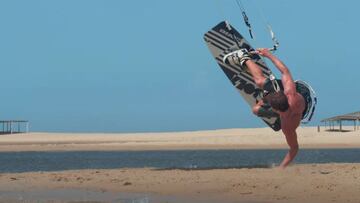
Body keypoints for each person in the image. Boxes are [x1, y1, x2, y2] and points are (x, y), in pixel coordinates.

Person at [223, 48, 306, 168]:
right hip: (295, 96)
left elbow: (294, 148)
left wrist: (281, 168)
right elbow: (284, 71)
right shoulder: (290, 93)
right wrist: (268, 54)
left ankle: (248, 66)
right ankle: (243, 56)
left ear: (276, 111)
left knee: (256, 110)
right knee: (260, 81)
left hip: (300, 107)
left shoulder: (287, 126)